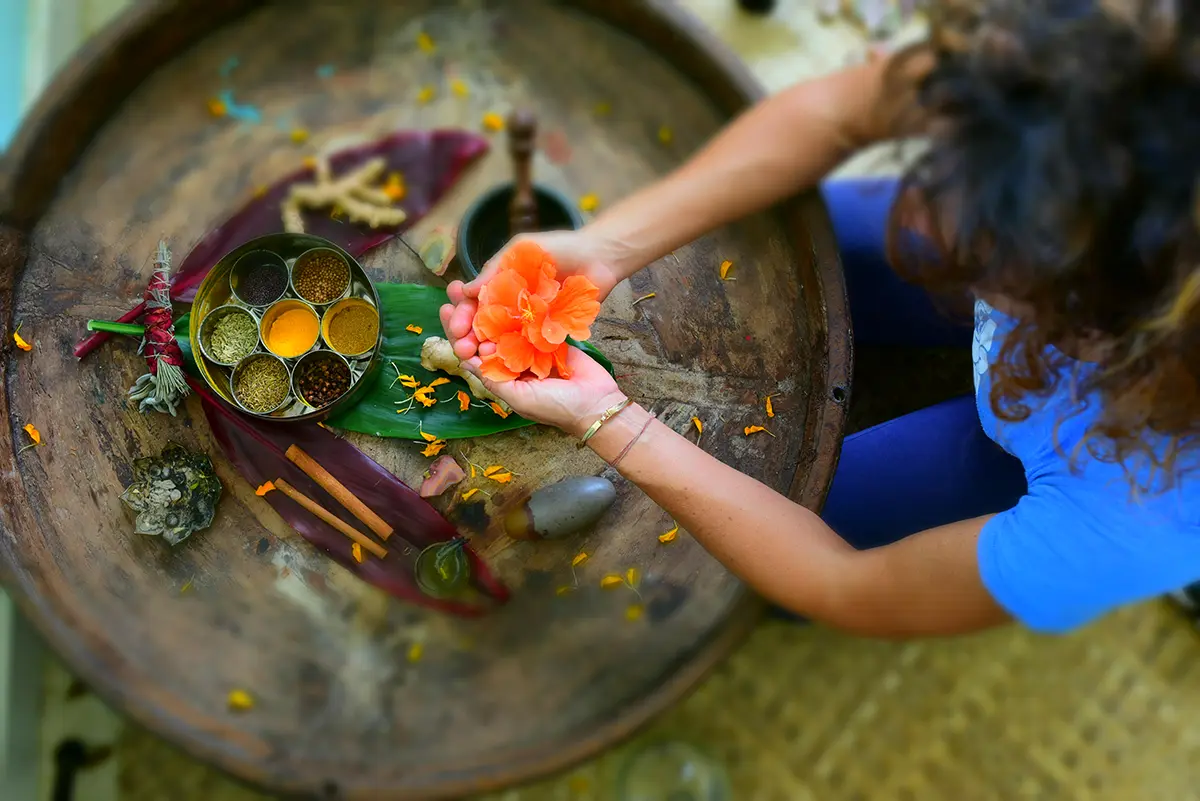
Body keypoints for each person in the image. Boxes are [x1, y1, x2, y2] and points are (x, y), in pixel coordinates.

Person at [440, 0, 1200, 638]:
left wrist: (608, 417)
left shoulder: (1139, 512)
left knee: (761, 557)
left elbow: (847, 582)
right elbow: (840, 116)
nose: (930, 219)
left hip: (1089, 439)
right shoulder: (1105, 71)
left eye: (995, 248)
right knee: (784, 250)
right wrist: (605, 248)